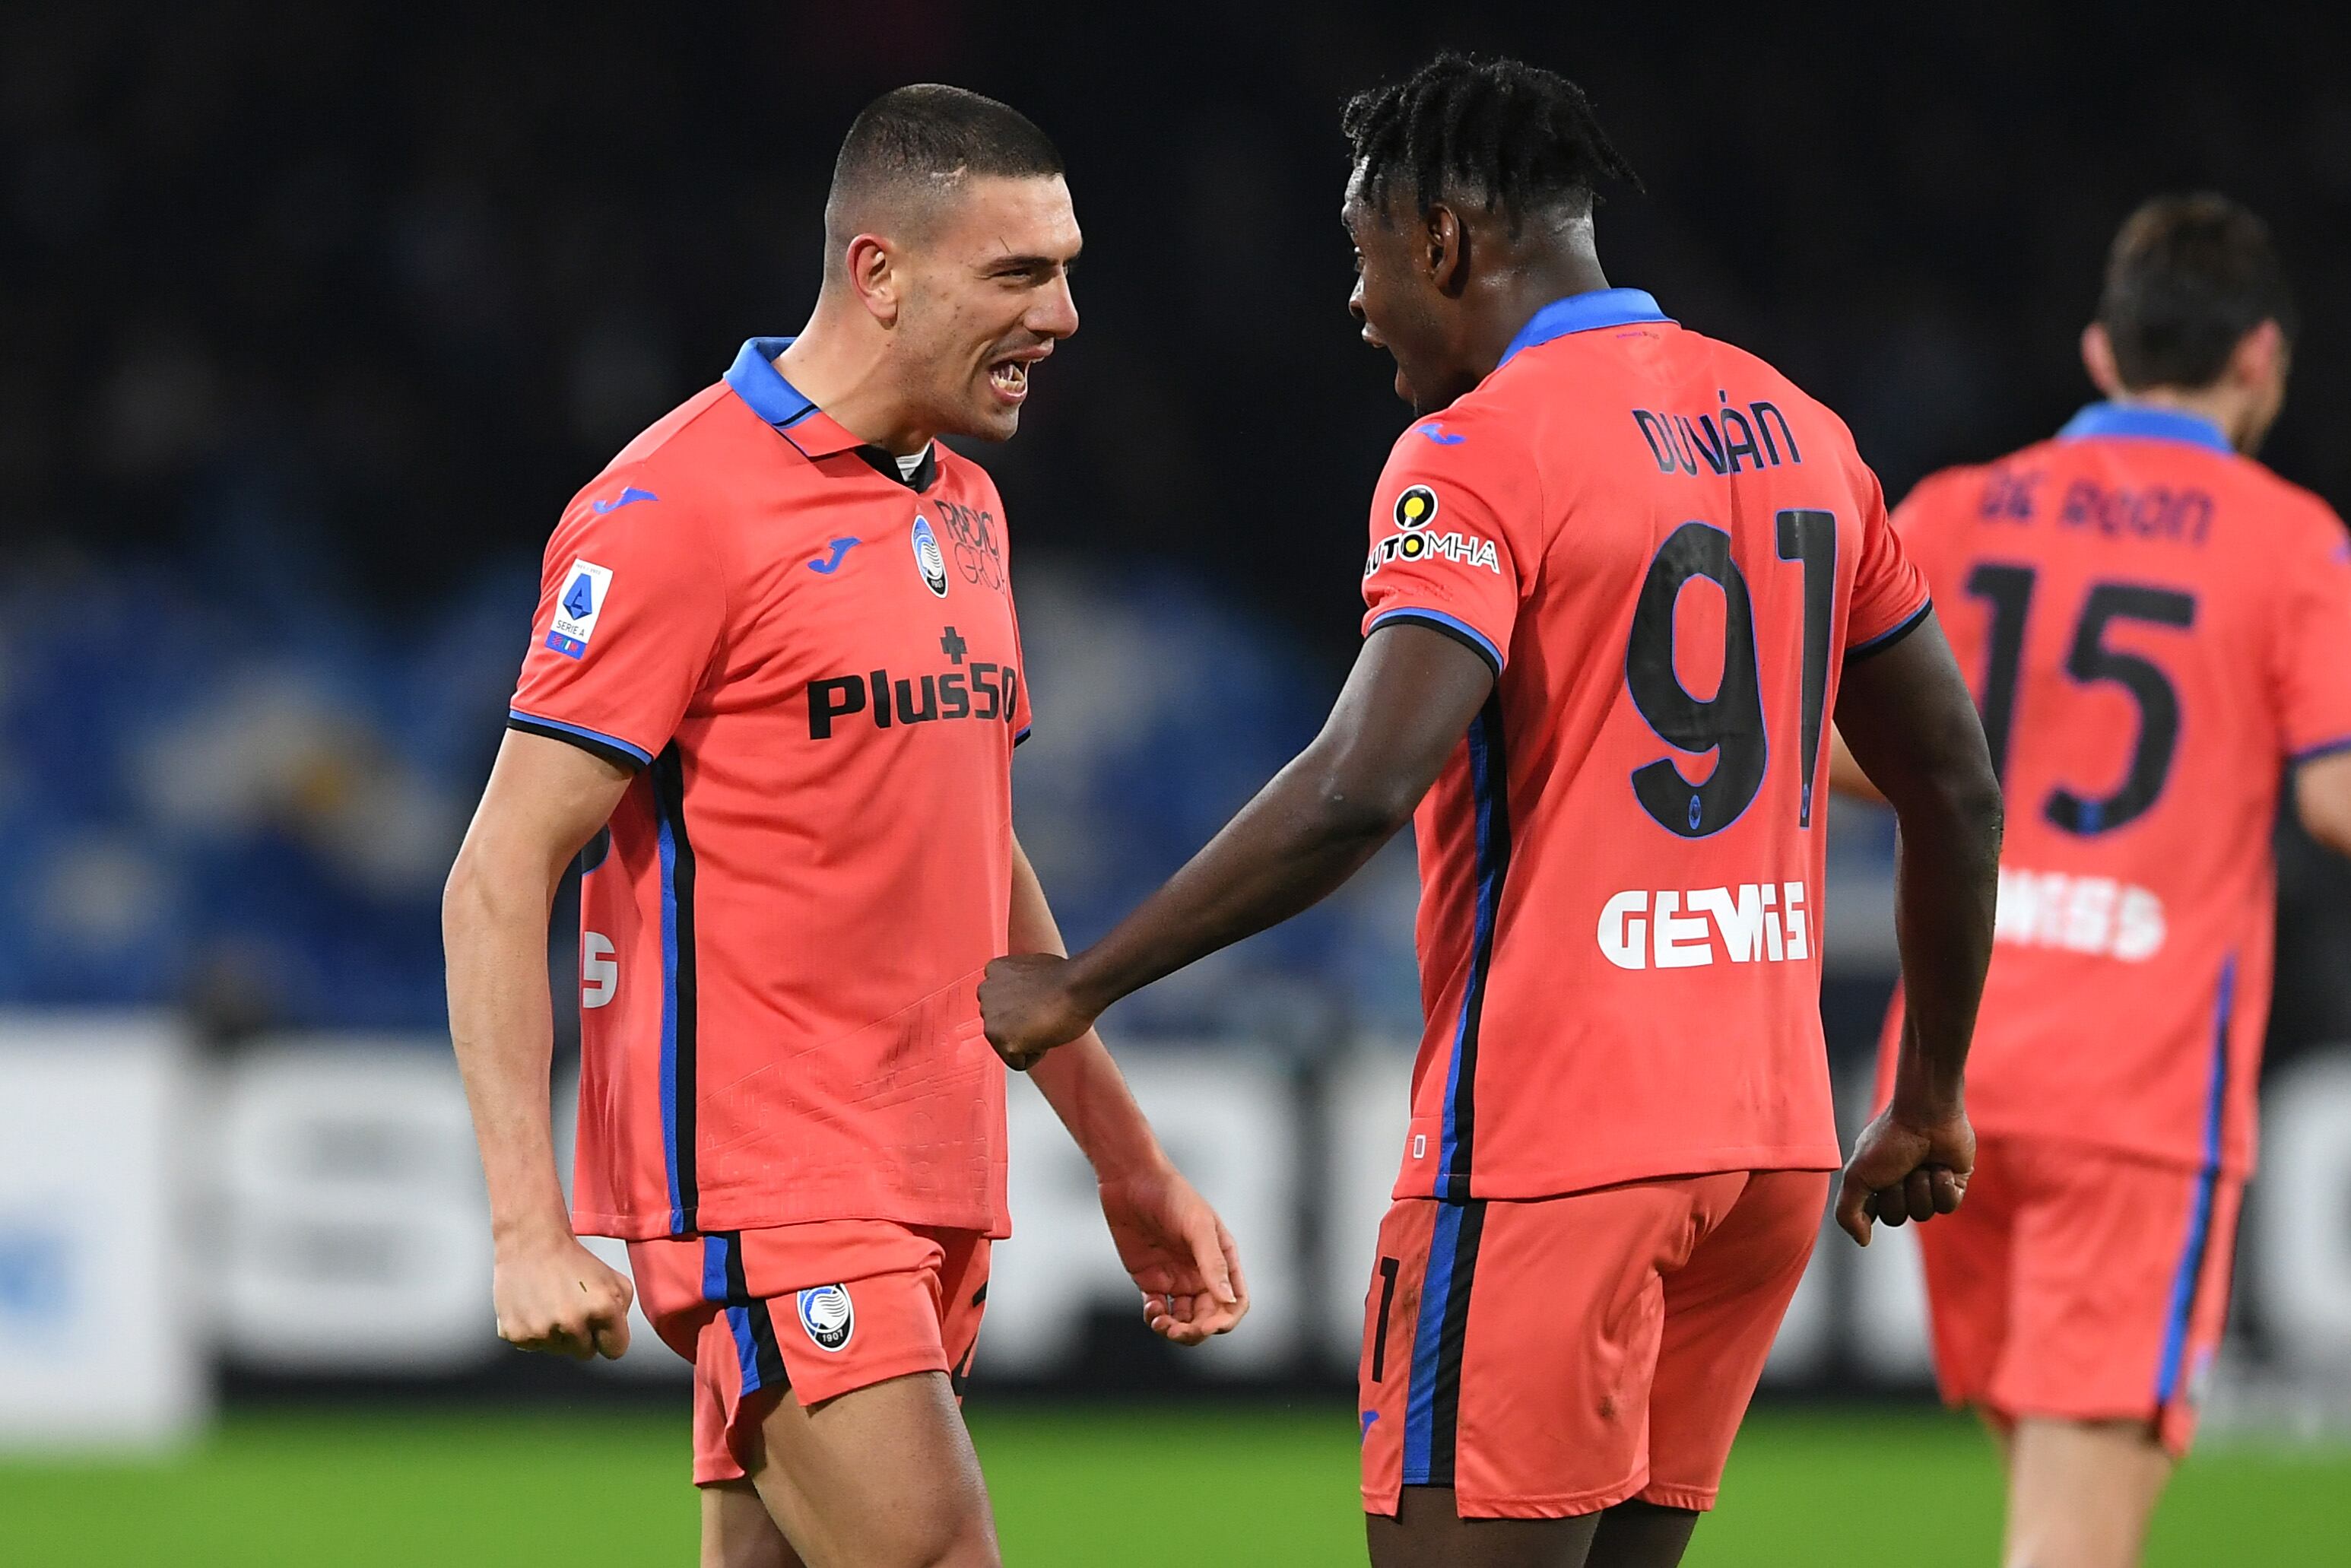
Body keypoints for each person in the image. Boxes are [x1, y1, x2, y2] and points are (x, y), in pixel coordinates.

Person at [979, 52, 2001, 1568]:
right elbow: (1953, 781)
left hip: (1549, 1150)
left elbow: (1357, 784)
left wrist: (1079, 981)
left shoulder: (1475, 454)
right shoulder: (1799, 429)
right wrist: (1925, 1093)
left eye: (1364, 256)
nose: (1356, 301)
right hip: (1765, 1147)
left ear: (1446, 242)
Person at [443, 84, 1245, 1568]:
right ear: (880, 273)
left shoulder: (968, 513)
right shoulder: (674, 508)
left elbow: (975, 858)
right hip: (769, 1177)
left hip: (933, 1169)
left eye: (1066, 269)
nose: (1063, 314)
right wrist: (524, 1224)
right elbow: (502, 866)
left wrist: (1123, 1156)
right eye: (1020, 272)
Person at [1828, 193, 2351, 1568]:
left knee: (2049, 1511)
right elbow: (2338, 795)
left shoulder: (1951, 509)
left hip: (1948, 1074)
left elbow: (1831, 744)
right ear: (2262, 362)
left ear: (2102, 357)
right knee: (2071, 1542)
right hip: (2139, 1090)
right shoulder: (2292, 543)